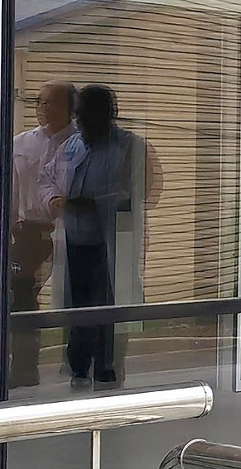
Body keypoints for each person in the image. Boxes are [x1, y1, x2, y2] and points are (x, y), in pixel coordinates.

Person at [43, 85, 162, 387]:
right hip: (75, 241)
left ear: (107, 114)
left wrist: (95, 203)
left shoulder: (130, 146)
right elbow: (48, 177)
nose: (79, 120)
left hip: (111, 242)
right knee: (78, 308)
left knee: (109, 308)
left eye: (85, 114)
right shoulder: (72, 144)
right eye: (77, 114)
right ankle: (79, 369)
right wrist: (54, 199)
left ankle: (107, 371)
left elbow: (144, 189)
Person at [8, 82, 78, 388]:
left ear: (70, 108)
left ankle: (77, 366)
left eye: (52, 103)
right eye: (40, 102)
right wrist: (11, 225)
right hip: (29, 234)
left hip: (68, 233)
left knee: (73, 299)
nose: (43, 108)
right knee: (21, 298)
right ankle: (24, 369)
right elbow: (10, 189)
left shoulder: (79, 144)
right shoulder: (21, 144)